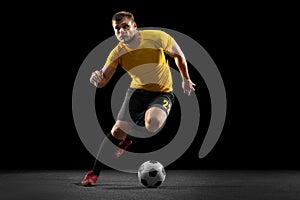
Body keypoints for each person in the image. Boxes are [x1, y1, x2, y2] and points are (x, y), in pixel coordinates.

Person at [81, 11, 195, 186]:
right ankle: (93, 174)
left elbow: (179, 55)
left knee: (153, 124)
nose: (121, 31)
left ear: (134, 26)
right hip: (137, 92)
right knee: (116, 132)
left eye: (125, 26)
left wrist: (185, 78)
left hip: (162, 92)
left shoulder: (157, 37)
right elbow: (103, 80)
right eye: (117, 28)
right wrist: (96, 79)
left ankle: (129, 135)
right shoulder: (117, 52)